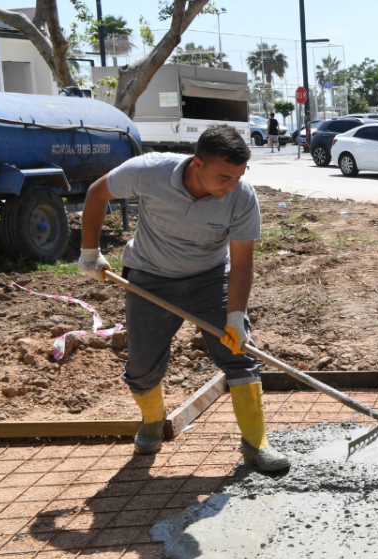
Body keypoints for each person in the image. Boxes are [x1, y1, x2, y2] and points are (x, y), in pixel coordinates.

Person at [77, 124, 291, 472]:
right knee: (142, 368)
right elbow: (97, 193)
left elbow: (241, 263)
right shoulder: (148, 172)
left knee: (240, 354)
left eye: (239, 176)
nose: (232, 185)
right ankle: (152, 420)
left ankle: (256, 443)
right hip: (149, 279)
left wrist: (235, 318)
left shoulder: (241, 196)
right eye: (224, 176)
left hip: (210, 279)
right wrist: (90, 252)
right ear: (197, 164)